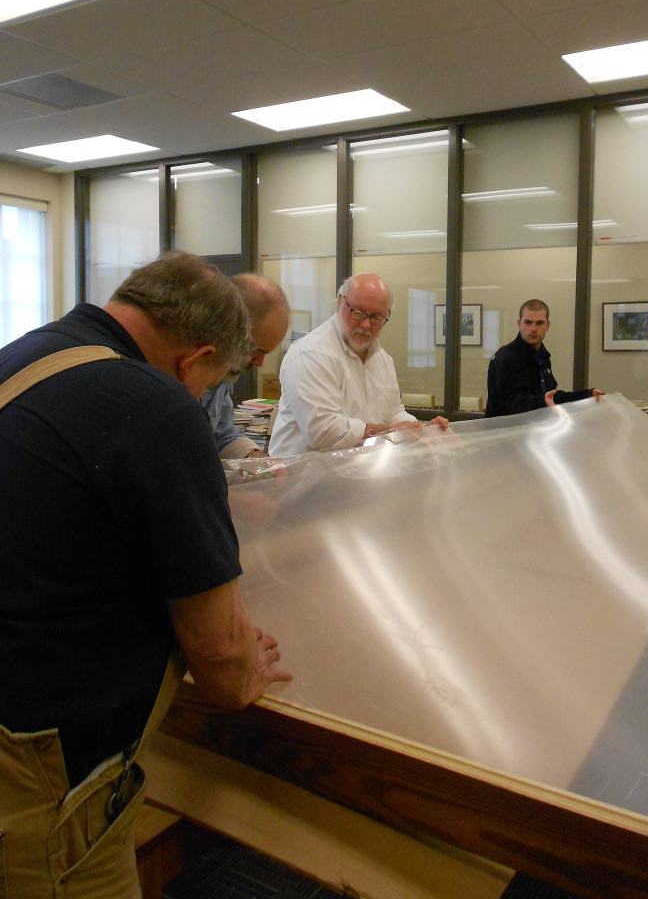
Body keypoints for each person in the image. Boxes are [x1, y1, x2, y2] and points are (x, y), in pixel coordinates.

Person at [0, 251, 292, 899]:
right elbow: (222, 662)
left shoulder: (26, 355)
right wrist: (245, 669)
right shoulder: (157, 406)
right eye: (212, 383)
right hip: (38, 775)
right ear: (195, 360)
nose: (203, 398)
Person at [269, 272, 448, 456]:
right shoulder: (311, 354)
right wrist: (390, 430)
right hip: (301, 472)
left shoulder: (382, 360)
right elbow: (322, 432)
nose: (366, 325)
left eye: (376, 317)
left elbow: (393, 413)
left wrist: (422, 429)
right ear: (340, 302)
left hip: (358, 469)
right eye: (359, 313)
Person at [201, 273, 290, 458]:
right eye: (255, 350)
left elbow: (222, 434)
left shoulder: (226, 372)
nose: (259, 362)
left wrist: (256, 459)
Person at [485, 298, 603, 417]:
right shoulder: (506, 359)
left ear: (548, 325)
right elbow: (513, 405)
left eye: (539, 323)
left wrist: (587, 396)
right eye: (528, 322)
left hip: (537, 427)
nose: (533, 329)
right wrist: (544, 402)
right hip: (508, 428)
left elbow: (551, 396)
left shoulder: (542, 355)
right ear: (519, 324)